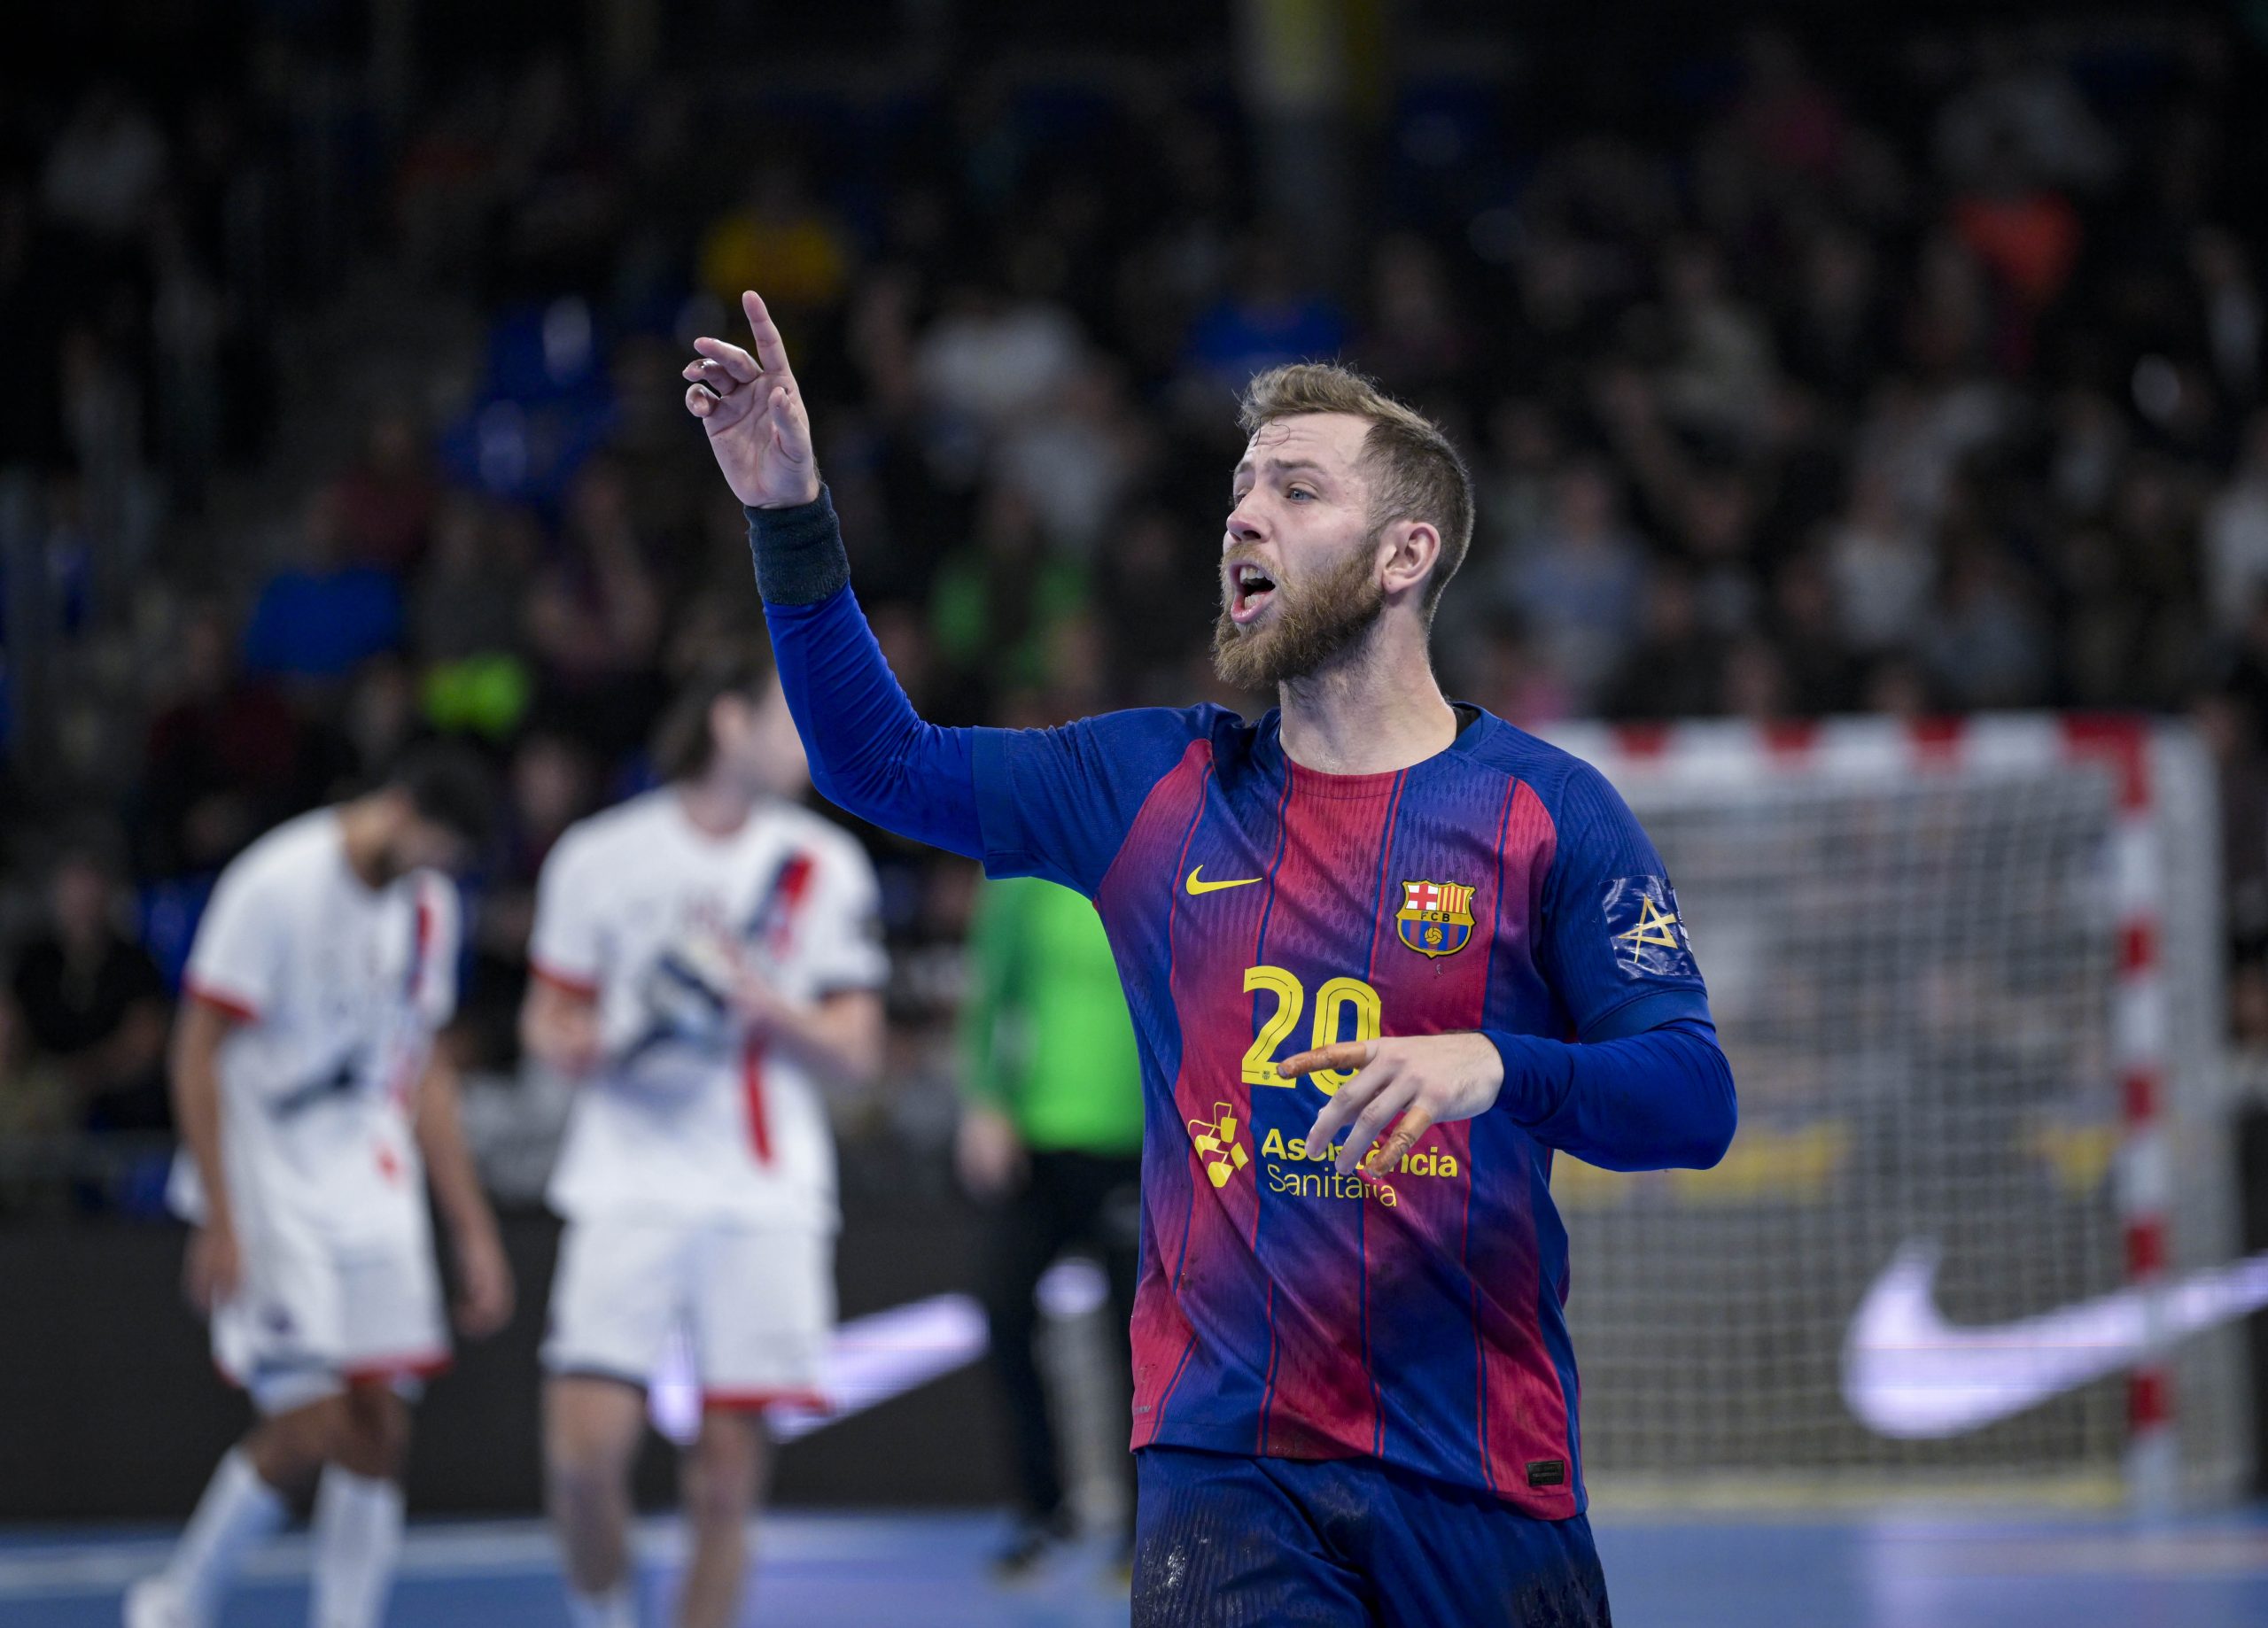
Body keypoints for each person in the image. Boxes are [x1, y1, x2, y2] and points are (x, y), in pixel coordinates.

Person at [685, 291, 1739, 1626]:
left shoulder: (1549, 811)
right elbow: (873, 760)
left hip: (1479, 1467)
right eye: (1242, 489)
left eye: (1297, 491)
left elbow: (1692, 1099)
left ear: (1407, 552)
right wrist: (789, 508)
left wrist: (1494, 1064)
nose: (1243, 516)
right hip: (1226, 1467)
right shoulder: (1149, 782)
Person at [519, 654, 886, 1628]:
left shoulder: (822, 863)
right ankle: (603, 1614)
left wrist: (768, 1007)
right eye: (788, 717)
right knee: (583, 1455)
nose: (810, 741)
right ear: (729, 722)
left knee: (726, 1478)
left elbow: (857, 1051)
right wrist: (584, 1043)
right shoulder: (599, 857)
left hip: (762, 1193)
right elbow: (544, 1020)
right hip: (625, 1181)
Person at [126, 747, 516, 1628]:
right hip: (269, 1164)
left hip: (368, 1166)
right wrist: (220, 1216)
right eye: (435, 844)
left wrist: (473, 1228)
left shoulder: (430, 909)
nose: (436, 868)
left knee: (380, 1424)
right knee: (311, 1424)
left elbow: (426, 1075)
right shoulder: (276, 883)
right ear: (403, 807)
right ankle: (180, 1598)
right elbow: (197, 1048)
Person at [957, 872, 1146, 1577]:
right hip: (1034, 1142)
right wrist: (983, 1099)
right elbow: (989, 988)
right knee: (1001, 1310)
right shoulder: (1024, 870)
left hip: (1139, 1142)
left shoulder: (1166, 852)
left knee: (1138, 1343)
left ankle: (1139, 1526)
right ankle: (1044, 1510)